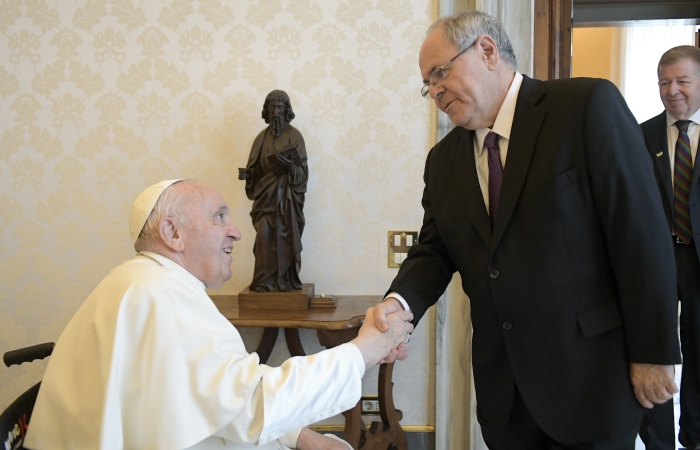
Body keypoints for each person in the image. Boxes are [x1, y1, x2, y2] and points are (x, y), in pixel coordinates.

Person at [374, 11, 681, 449]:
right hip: (505, 392)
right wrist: (397, 304)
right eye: (428, 83)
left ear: (487, 51)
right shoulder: (443, 162)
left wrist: (653, 352)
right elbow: (434, 251)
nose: (435, 90)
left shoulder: (585, 107)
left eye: (441, 72)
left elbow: (640, 235)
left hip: (590, 380)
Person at [24, 179, 413, 450]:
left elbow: (218, 399)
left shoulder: (146, 281)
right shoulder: (159, 294)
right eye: (219, 217)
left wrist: (298, 436)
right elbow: (249, 402)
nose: (237, 232)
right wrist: (367, 348)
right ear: (173, 234)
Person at [639, 45, 700, 450]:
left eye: (682, 81)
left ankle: (694, 438)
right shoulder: (637, 135)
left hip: (697, 261)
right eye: (664, 82)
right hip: (653, 262)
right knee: (654, 351)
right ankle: (658, 443)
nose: (672, 90)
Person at [239, 90, 307, 293]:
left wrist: (289, 167)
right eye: (272, 107)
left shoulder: (294, 136)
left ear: (286, 109)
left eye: (280, 107)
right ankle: (263, 281)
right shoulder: (261, 138)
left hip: (286, 202)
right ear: (267, 110)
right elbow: (257, 170)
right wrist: (249, 175)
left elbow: (302, 173)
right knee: (264, 236)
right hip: (265, 202)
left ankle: (285, 280)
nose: (276, 112)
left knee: (285, 239)